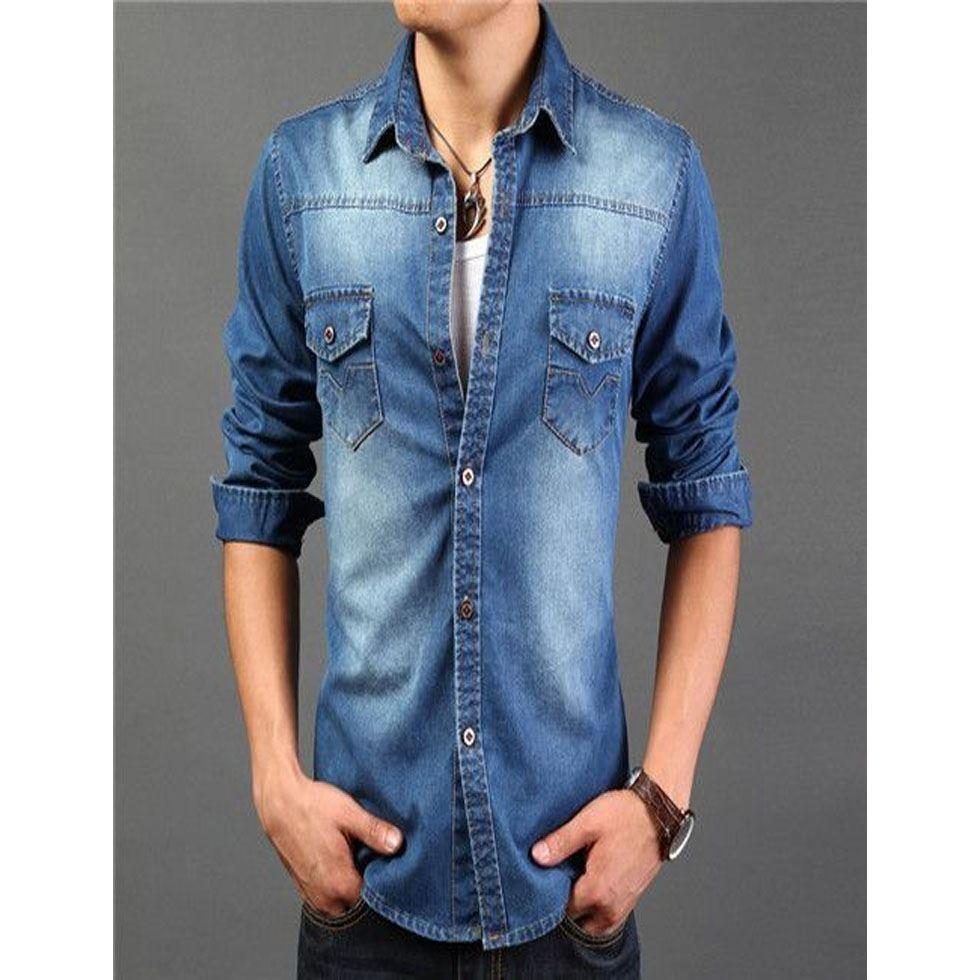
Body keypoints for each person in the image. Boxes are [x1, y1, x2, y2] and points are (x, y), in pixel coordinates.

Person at [211, 2, 752, 976]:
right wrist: (274, 779)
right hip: (365, 895)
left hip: (566, 898)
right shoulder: (303, 175)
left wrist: (660, 801)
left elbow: (705, 488)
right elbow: (259, 483)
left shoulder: (649, 176)